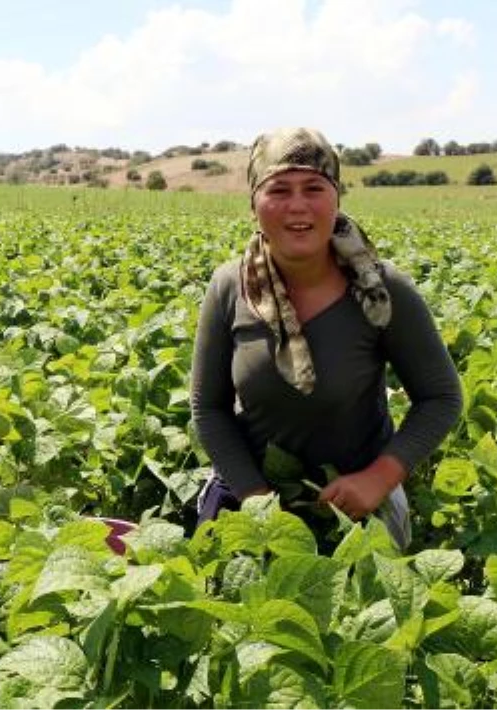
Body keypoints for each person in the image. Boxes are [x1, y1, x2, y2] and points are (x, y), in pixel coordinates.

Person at [189, 128, 462, 549]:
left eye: (314, 188)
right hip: (251, 496)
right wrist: (255, 499)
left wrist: (380, 478)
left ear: (336, 198)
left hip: (357, 500)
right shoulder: (230, 288)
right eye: (279, 189)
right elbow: (208, 409)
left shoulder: (380, 290)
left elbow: (441, 397)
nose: (297, 205)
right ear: (254, 203)